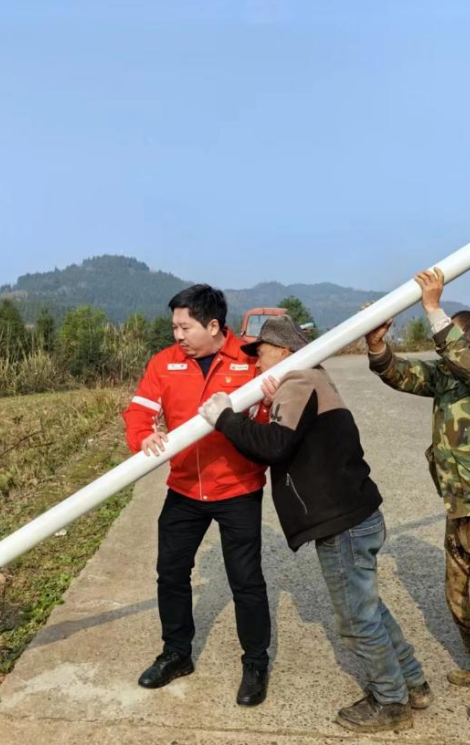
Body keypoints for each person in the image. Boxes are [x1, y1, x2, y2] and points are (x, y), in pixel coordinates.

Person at [198, 315, 432, 734]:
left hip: (341, 522)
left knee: (357, 619)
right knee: (370, 608)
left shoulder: (299, 382)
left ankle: (390, 701)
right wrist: (268, 407)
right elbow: (296, 440)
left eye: (261, 352)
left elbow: (274, 446)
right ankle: (413, 683)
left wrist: (226, 419)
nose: (254, 362)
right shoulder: (310, 381)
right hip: (356, 515)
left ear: (287, 352)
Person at [366, 268, 470, 722]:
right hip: (461, 509)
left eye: (454, 344)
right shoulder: (448, 379)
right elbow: (400, 374)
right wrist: (377, 344)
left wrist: (433, 308)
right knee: (461, 599)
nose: (445, 355)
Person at [122, 284, 272, 706]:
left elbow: (270, 415)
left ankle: (255, 663)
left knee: (246, 581)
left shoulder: (250, 359)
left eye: (184, 327)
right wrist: (142, 435)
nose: (177, 336)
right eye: (174, 326)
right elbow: (139, 410)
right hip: (184, 489)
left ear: (212, 325)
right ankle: (176, 654)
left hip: (237, 489)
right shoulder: (164, 363)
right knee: (170, 574)